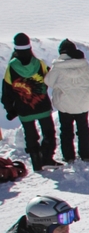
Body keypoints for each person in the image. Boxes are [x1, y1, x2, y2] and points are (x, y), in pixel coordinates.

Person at [3, 34, 56, 172]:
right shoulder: (39, 63)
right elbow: (48, 80)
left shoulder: (11, 67)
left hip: (24, 109)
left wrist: (10, 109)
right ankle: (47, 158)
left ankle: (37, 164)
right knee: (48, 132)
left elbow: (7, 91)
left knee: (31, 136)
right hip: (42, 105)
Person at [46, 41, 89, 164]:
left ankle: (69, 156)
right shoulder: (84, 64)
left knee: (66, 131)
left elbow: (48, 81)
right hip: (82, 103)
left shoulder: (57, 66)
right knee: (83, 129)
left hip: (65, 104)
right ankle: (85, 155)